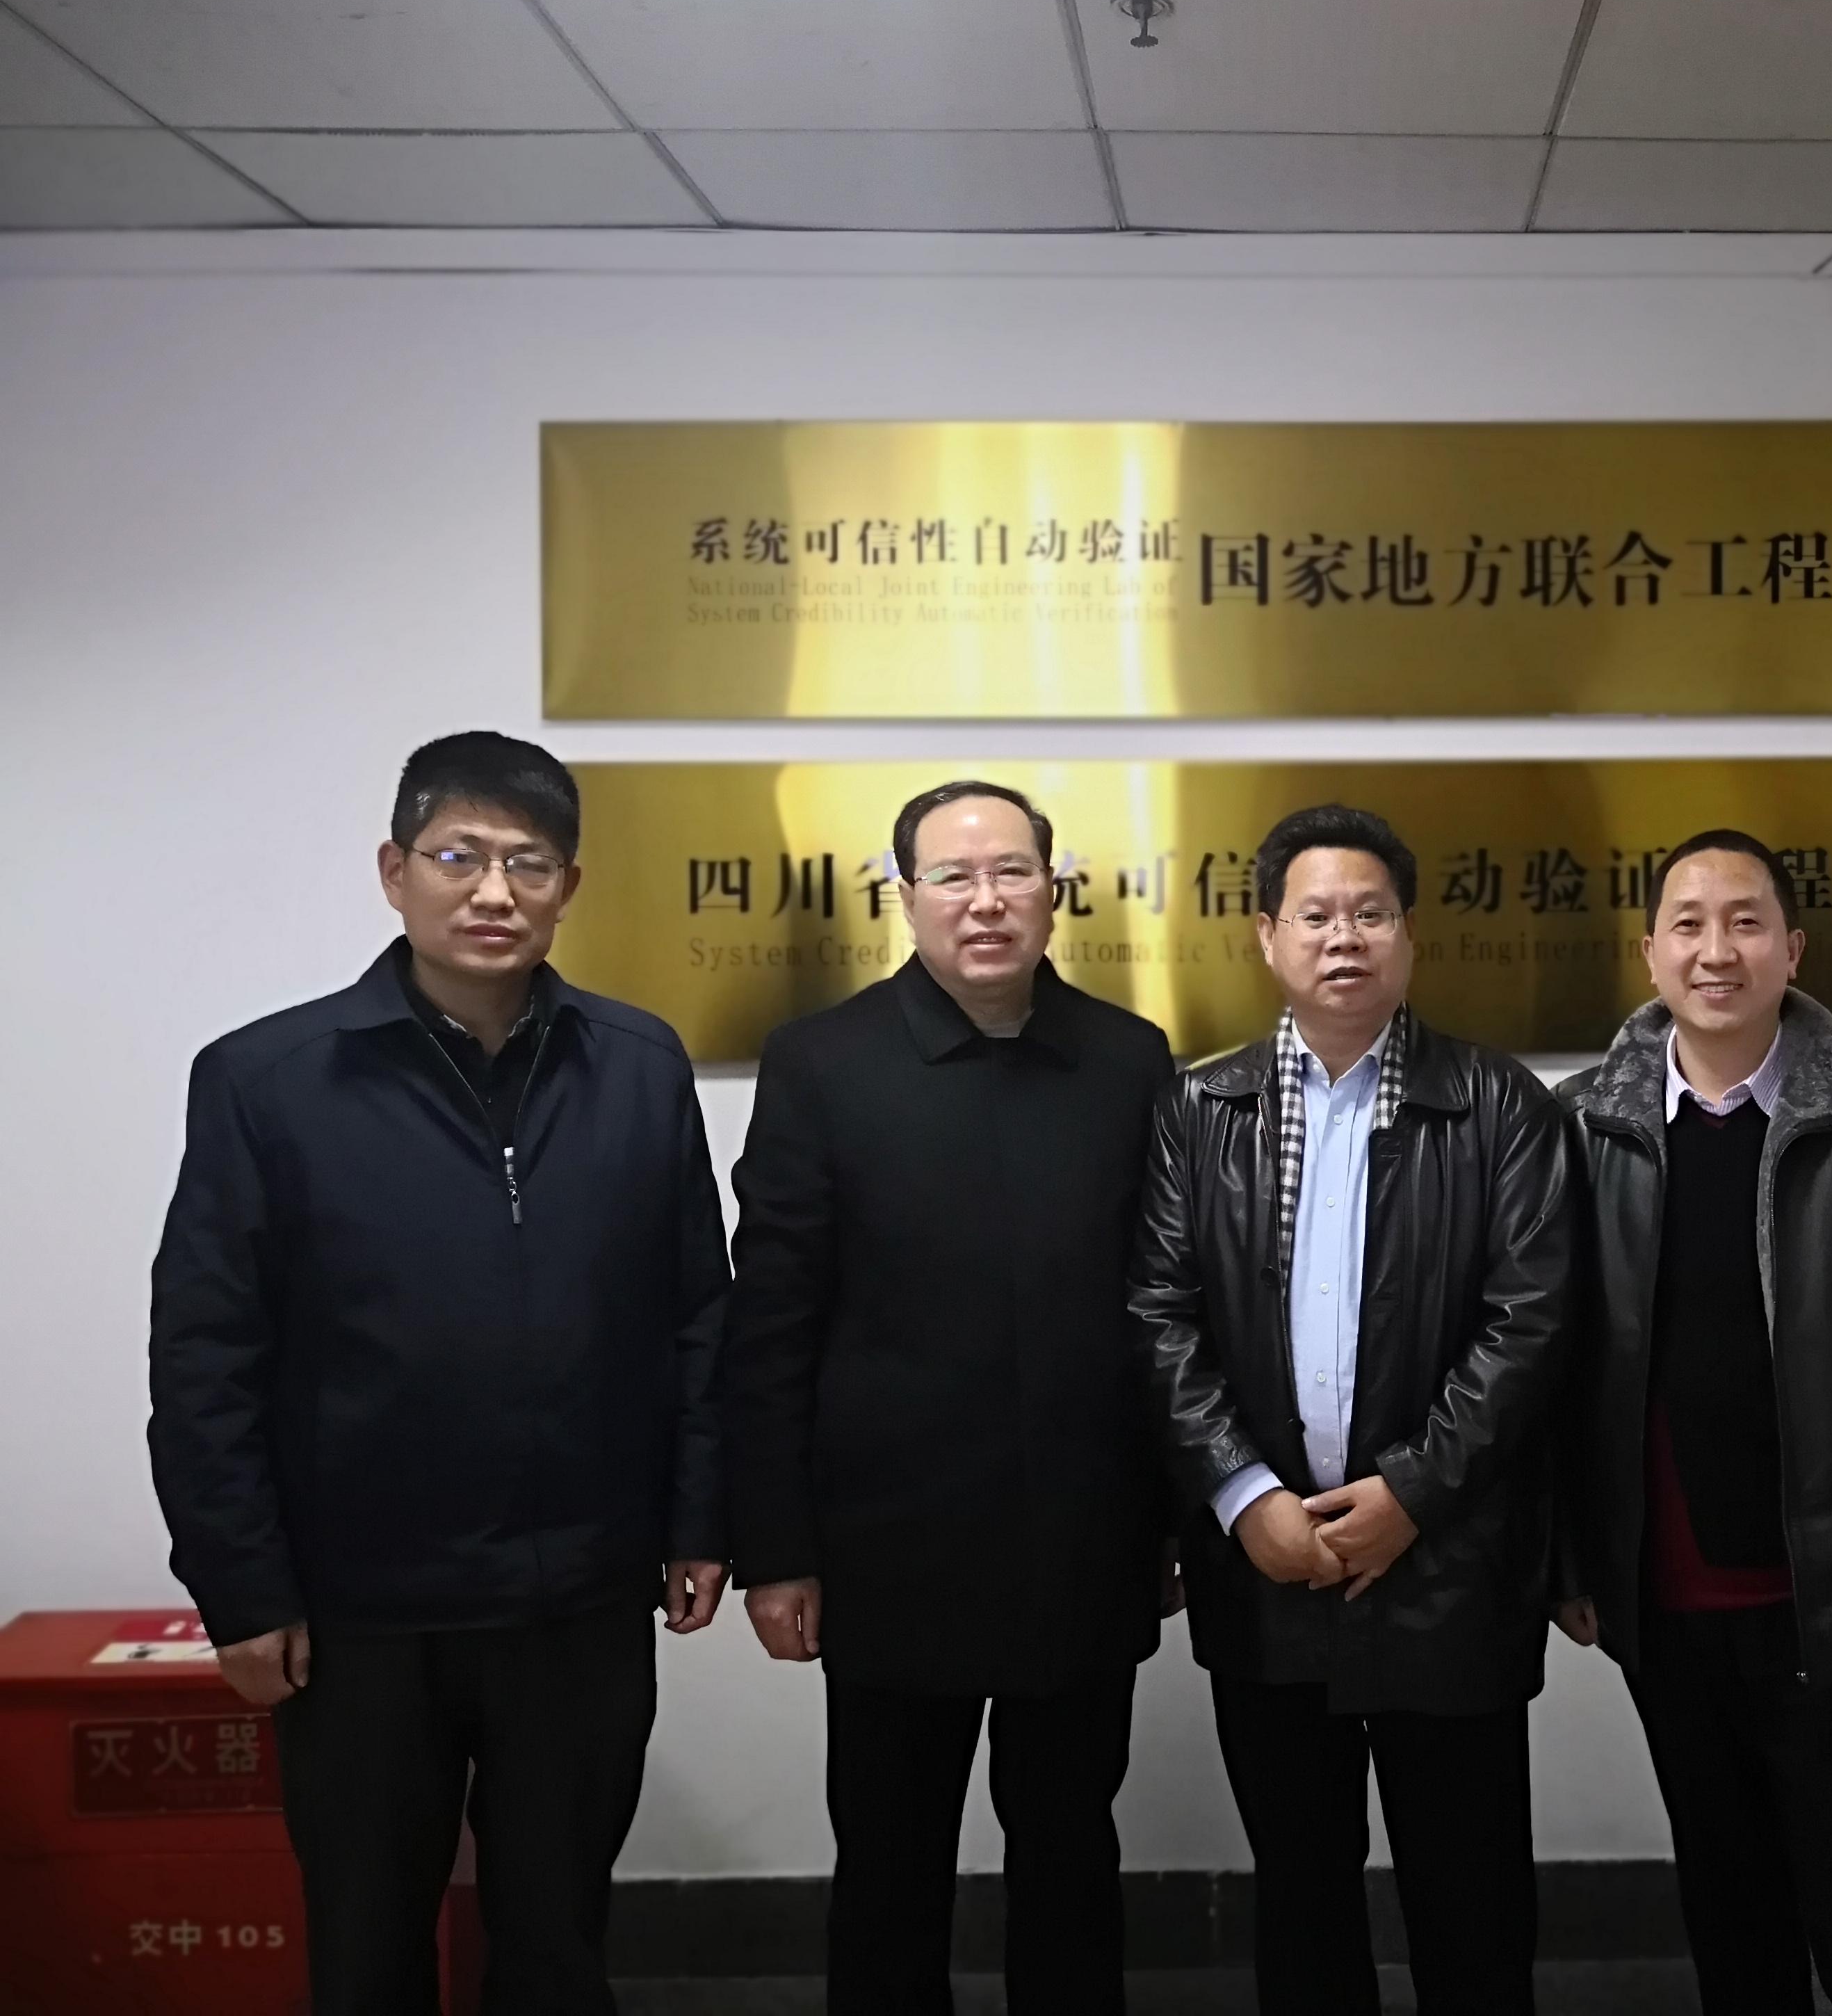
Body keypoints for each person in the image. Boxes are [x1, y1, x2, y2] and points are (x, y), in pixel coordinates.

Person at [148, 731, 727, 2015]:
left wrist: (699, 1519)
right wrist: (240, 1586)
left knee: (559, 1948)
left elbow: (697, 1314)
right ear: (394, 871)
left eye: (529, 863)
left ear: (570, 886)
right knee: (367, 1952)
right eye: (458, 856)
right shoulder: (269, 1078)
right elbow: (205, 1356)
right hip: (359, 1615)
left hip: (578, 1601)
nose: (493, 891)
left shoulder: (638, 1065)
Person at [724, 778, 1176, 2016]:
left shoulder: (1128, 1059)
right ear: (903, 894)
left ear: (1054, 888)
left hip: (1084, 1540)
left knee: (1071, 1848)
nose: (986, 901)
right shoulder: (823, 1062)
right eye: (954, 877)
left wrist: (1170, 1523)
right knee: (890, 1859)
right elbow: (771, 1324)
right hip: (888, 1553)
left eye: (1012, 872)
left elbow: (1166, 1312)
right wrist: (775, 1548)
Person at [1550, 829, 1832, 2015]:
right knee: (1731, 1919)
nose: (1718, 951)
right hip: (1665, 1607)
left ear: (1794, 950)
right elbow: (1551, 1373)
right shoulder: (1581, 1130)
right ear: (1649, 951)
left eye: (1746, 922)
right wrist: (1574, 1562)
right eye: (1689, 924)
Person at [1130, 803, 1574, 2016]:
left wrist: (1413, 1494)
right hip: (1267, 1572)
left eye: (1370, 913)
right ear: (1267, 935)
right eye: (1316, 914)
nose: (1344, 937)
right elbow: (1160, 1315)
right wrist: (1244, 1497)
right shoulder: (1198, 1112)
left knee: (1472, 1901)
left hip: (1449, 1571)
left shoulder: (1500, 1106)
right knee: (1302, 1894)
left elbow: (1531, 1322)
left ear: (1409, 935)